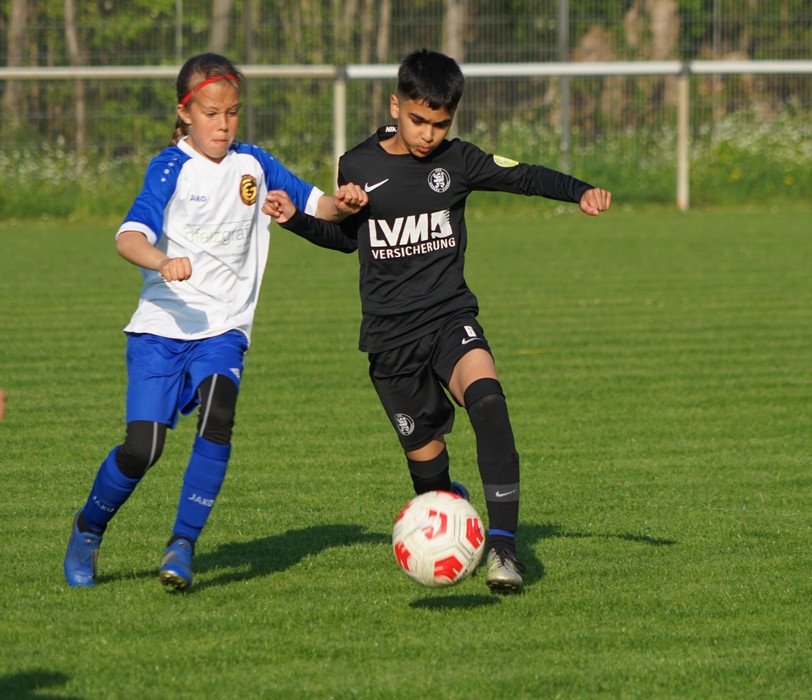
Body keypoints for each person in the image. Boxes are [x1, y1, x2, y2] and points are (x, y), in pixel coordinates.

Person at [264, 49, 612, 593]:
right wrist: (296, 220)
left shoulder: (459, 161)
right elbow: (347, 240)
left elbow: (523, 176)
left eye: (440, 124)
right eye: (418, 120)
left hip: (449, 316)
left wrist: (580, 191)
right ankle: (452, 509)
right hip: (389, 339)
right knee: (430, 472)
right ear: (395, 106)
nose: (428, 135)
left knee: (489, 402)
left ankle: (503, 550)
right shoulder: (359, 165)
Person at [62, 53, 367, 591]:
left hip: (224, 328)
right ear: (185, 113)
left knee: (218, 415)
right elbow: (128, 237)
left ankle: (182, 544)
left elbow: (319, 206)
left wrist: (345, 202)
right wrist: (162, 261)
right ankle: (88, 528)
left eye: (232, 112)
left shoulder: (255, 164)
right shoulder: (170, 168)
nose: (223, 124)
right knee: (143, 449)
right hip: (160, 328)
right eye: (210, 113)